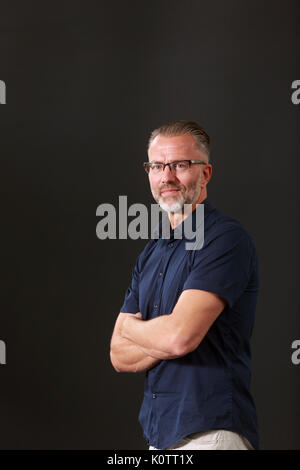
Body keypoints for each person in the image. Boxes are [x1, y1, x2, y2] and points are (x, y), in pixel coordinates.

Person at [110, 120, 259, 450]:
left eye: (180, 165)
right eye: (158, 166)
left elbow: (178, 338)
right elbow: (118, 355)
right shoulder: (151, 253)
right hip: (160, 437)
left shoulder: (224, 239)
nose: (167, 178)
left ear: (205, 173)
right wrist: (159, 335)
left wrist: (131, 327)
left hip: (210, 435)